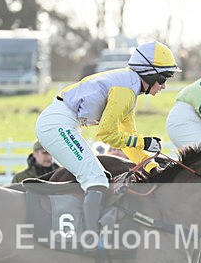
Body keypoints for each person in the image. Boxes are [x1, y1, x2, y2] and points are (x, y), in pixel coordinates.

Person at [35, 41, 180, 246]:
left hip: (62, 123)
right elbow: (107, 134)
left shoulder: (129, 88)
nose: (164, 86)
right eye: (163, 78)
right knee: (96, 179)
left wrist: (152, 166)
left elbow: (129, 141)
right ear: (149, 73)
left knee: (99, 177)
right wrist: (145, 142)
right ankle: (90, 239)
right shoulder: (125, 91)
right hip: (57, 124)